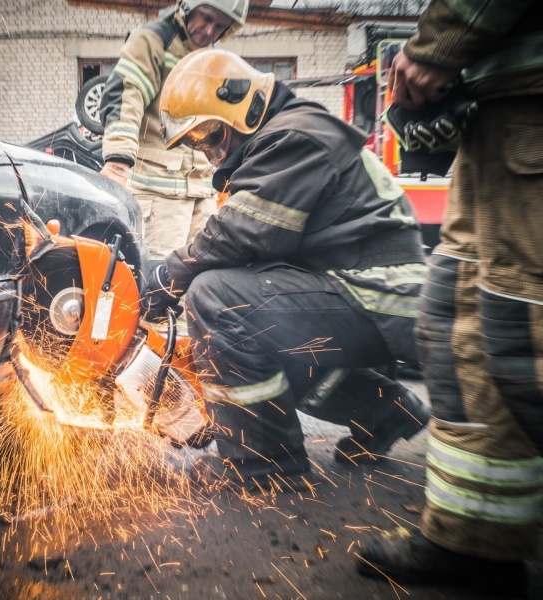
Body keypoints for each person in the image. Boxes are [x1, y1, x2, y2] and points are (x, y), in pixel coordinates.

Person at [143, 47, 431, 491]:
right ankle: (386, 411)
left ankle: (265, 464)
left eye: (211, 136)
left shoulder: (295, 135)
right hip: (358, 285)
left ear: (244, 105)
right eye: (199, 144)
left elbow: (242, 234)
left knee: (218, 299)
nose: (209, 153)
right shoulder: (282, 140)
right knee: (257, 339)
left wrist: (167, 276)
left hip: (373, 289)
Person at [354, 0, 543, 591]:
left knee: (524, 336)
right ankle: (475, 538)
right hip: (495, 120)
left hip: (531, 109)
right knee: (457, 326)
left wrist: (440, 43)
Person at [99, 0, 248, 260]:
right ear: (188, 7)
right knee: (158, 280)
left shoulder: (212, 59)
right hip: (159, 192)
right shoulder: (153, 40)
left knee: (198, 273)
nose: (210, 30)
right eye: (206, 18)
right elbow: (127, 95)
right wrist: (117, 162)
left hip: (201, 190)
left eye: (220, 26)